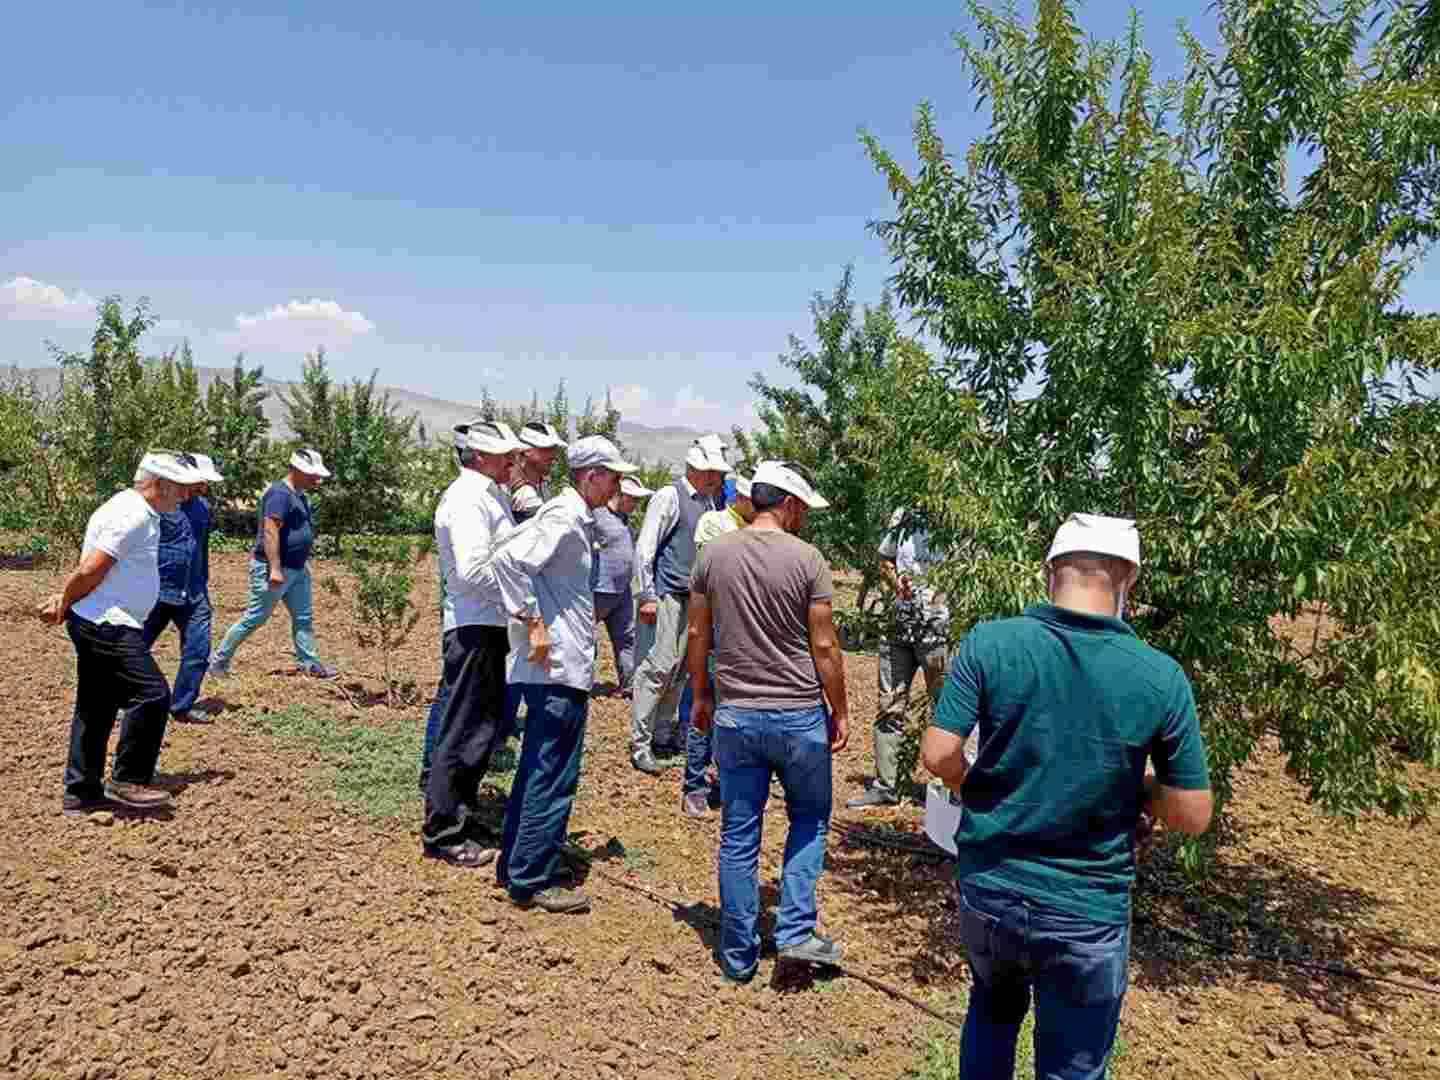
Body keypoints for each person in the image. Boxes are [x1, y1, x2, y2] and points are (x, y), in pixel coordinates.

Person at [920, 513, 1213, 1080]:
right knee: (1073, 1064)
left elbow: (938, 754)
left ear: (1049, 569)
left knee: (991, 1011)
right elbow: (1193, 813)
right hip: (1086, 907)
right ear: (1128, 578)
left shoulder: (991, 642)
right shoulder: (1160, 676)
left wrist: (972, 785)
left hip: (991, 890)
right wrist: (1143, 790)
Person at [689, 461, 849, 983]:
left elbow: (698, 633)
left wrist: (701, 695)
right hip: (799, 715)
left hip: (736, 716)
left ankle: (738, 957)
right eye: (803, 509)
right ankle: (796, 932)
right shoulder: (807, 559)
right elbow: (823, 644)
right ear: (790, 504)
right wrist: (840, 708)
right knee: (809, 818)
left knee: (739, 833)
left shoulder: (714, 555)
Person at [482, 435, 639, 914]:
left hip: (558, 664)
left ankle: (516, 863)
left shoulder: (572, 516)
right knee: (552, 772)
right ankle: (533, 876)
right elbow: (508, 561)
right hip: (558, 666)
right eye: (613, 477)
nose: (617, 486)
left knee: (538, 765)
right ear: (591, 476)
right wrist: (532, 621)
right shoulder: (565, 516)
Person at [39, 450, 206, 815]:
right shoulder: (133, 515)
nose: (185, 495)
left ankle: (81, 793)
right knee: (152, 695)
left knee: (96, 706)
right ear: (159, 485)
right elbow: (92, 568)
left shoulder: (134, 509)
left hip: (100, 619)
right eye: (179, 487)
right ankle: (129, 780)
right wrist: (64, 600)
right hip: (108, 624)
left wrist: (68, 600)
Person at [422, 420, 524, 867]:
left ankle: (462, 814)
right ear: (481, 456)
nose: (513, 461)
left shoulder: (487, 494)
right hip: (474, 626)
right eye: (506, 455)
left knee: (481, 729)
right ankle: (444, 831)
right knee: (464, 729)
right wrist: (519, 601)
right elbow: (472, 570)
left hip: (488, 624)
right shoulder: (467, 499)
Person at [630, 434, 729, 775]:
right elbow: (646, 548)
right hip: (667, 594)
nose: (716, 477)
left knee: (681, 671)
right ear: (695, 468)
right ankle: (640, 743)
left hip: (695, 598)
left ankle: (662, 735)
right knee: (657, 667)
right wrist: (646, 595)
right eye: (711, 471)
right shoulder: (669, 496)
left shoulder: (711, 503)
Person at [849, 508, 956, 809]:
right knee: (889, 706)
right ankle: (887, 786)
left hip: (940, 632)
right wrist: (897, 584)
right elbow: (885, 559)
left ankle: (949, 789)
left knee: (946, 709)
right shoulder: (903, 514)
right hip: (898, 628)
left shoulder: (960, 518)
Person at [209, 449, 337, 680]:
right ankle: (219, 661)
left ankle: (309, 663)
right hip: (275, 569)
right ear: (297, 470)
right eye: (313, 475)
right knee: (255, 617)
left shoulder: (299, 495)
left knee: (303, 618)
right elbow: (270, 531)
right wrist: (275, 568)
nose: (317, 480)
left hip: (297, 569)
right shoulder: (279, 494)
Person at [680, 474, 755, 818]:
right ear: (740, 498)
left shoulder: (759, 529)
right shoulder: (714, 522)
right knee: (705, 707)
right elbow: (712, 573)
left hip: (746, 636)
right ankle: (694, 786)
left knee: (736, 713)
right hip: (714, 632)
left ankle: (726, 782)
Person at [134, 452, 225, 725]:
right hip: (158, 591)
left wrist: (203, 583)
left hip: (194, 593)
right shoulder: (157, 506)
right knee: (134, 648)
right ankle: (123, 699)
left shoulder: (202, 508)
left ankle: (182, 706)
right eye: (200, 481)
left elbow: (202, 550)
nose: (204, 487)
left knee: (198, 648)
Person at [592, 475, 654, 697]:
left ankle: (629, 685)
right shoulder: (597, 514)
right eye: (633, 499)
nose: (636, 504)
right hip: (599, 588)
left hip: (622, 590)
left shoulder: (624, 520)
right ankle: (581, 686)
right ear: (620, 495)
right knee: (587, 638)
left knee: (628, 638)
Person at [509, 421, 567, 524]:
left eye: (555, 449)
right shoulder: (523, 493)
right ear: (527, 450)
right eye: (547, 448)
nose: (554, 455)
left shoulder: (541, 482)